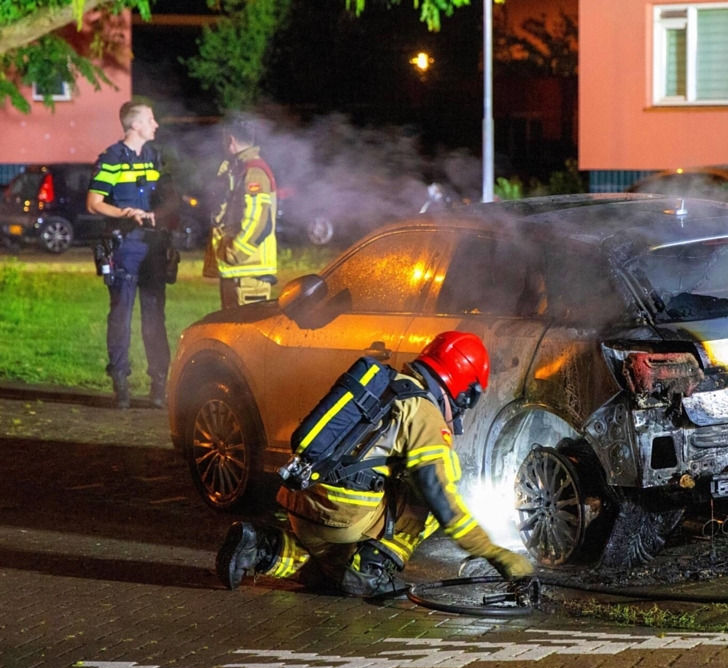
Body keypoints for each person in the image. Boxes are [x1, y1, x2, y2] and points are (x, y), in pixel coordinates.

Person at [216, 331, 534, 596]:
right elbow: (440, 497)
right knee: (439, 484)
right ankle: (373, 569)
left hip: (300, 505)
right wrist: (496, 553)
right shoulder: (424, 413)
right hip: (344, 516)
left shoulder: (385, 387)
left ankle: (258, 546)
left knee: (330, 567)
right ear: (463, 393)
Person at [86, 100, 172, 410]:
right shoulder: (112, 158)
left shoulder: (153, 157)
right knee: (121, 317)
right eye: (150, 119)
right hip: (124, 248)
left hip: (152, 248)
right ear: (134, 124)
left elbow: (165, 198)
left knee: (154, 318)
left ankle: (159, 384)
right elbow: (94, 202)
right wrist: (125, 212)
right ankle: (121, 383)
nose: (156, 124)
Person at [204, 117, 278, 308]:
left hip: (248, 274)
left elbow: (259, 222)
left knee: (248, 335)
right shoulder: (238, 169)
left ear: (230, 139)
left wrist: (234, 254)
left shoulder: (253, 172)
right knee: (233, 335)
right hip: (239, 273)